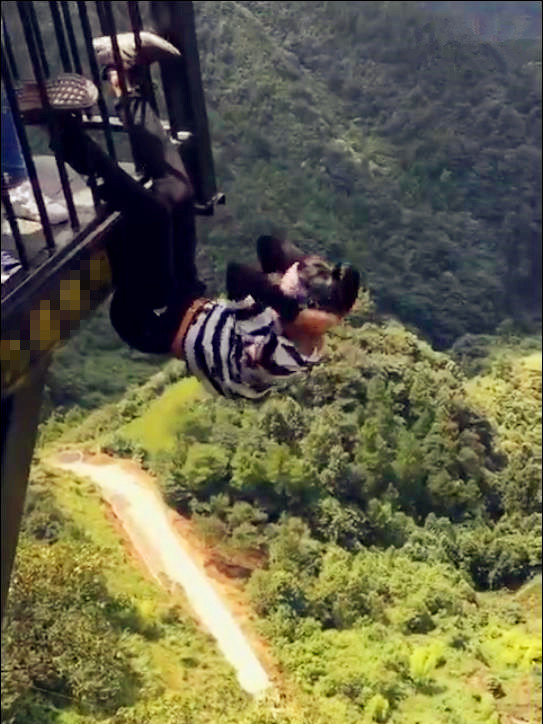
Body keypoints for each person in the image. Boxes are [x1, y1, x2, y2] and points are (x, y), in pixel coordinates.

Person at [16, 32, 359, 400]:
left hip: (149, 320)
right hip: (187, 296)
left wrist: (292, 307)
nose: (286, 279)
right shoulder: (303, 324)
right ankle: (122, 79)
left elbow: (238, 276)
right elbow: (268, 246)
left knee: (151, 215)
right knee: (179, 192)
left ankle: (62, 130)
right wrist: (306, 279)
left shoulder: (282, 358)